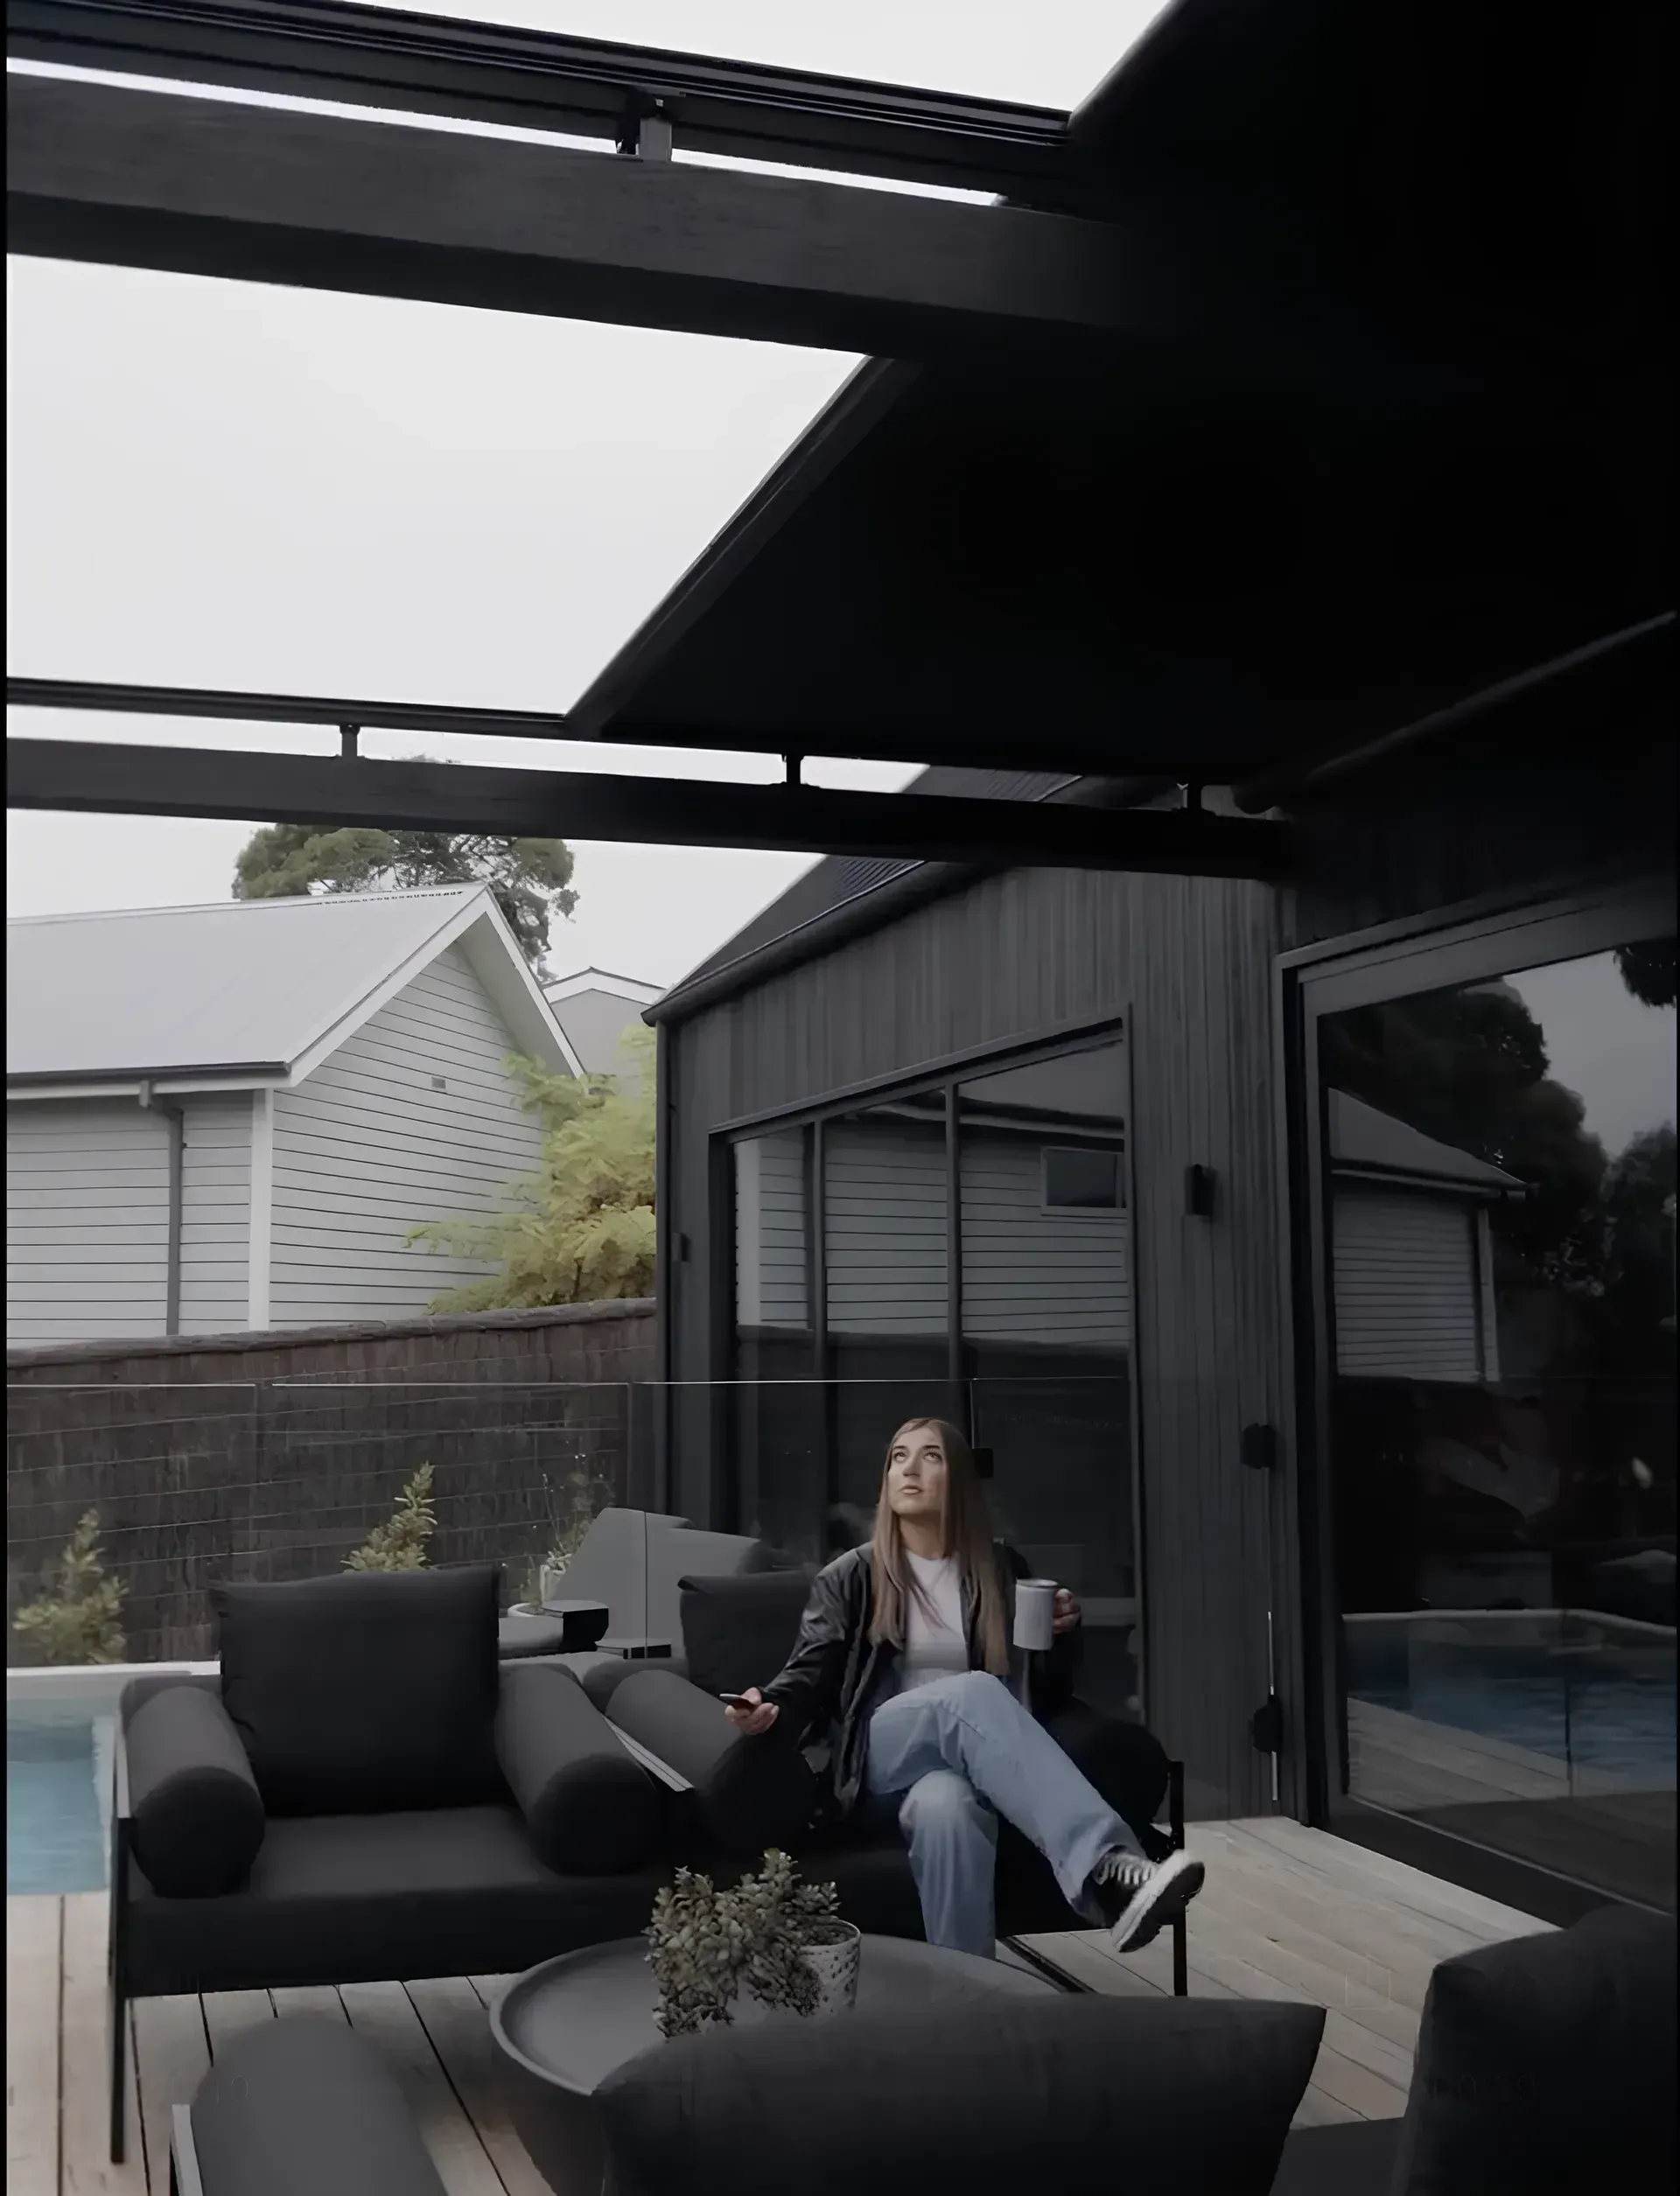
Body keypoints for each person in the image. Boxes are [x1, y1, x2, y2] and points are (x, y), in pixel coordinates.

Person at [726, 1416, 1206, 1960]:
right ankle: (1106, 1869)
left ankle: (968, 1994)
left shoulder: (999, 1569)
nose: (908, 1468)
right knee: (969, 1694)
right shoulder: (850, 1576)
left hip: (960, 1767)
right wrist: (769, 1708)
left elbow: (1038, 1698)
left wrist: (1057, 1638)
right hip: (873, 1760)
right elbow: (808, 1674)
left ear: (959, 1481)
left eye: (930, 1456)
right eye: (897, 1457)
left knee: (947, 1809)